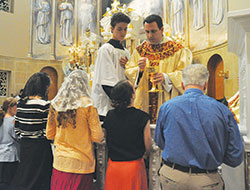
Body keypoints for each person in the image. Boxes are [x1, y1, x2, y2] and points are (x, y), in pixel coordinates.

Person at [154, 64, 243, 190]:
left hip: (172, 178)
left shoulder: (167, 107)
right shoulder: (222, 110)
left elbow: (159, 141)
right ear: (205, 85)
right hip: (207, 180)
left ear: (182, 85)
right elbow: (235, 156)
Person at [125, 14, 192, 123]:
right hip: (144, 103)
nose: (150, 36)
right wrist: (139, 70)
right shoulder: (140, 51)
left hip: (166, 99)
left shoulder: (177, 50)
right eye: (147, 32)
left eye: (153, 31)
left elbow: (186, 74)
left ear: (162, 30)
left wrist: (166, 77)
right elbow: (129, 71)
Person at [46, 69, 104, 190]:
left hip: (60, 162)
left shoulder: (56, 104)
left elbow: (49, 135)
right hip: (81, 163)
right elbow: (98, 137)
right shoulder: (88, 104)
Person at [103, 80, 152, 190]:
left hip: (114, 167)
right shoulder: (142, 117)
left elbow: (105, 138)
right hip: (133, 168)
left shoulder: (110, 115)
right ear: (133, 95)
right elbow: (148, 145)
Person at [10, 72, 53, 190]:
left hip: (25, 147)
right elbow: (48, 131)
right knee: (41, 181)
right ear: (44, 88)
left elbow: (17, 129)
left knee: (25, 178)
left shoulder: (21, 103)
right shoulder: (46, 105)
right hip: (40, 147)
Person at [92, 12, 131, 121]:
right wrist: (119, 103)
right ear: (112, 28)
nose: (123, 33)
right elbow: (106, 80)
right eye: (119, 29)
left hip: (121, 101)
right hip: (108, 104)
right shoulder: (106, 49)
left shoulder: (126, 52)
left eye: (125, 29)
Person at [0, 98, 19, 189]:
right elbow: (17, 136)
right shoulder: (13, 121)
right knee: (9, 184)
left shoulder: (1, 119)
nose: (17, 109)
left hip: (1, 155)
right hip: (10, 156)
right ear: (9, 107)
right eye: (16, 106)